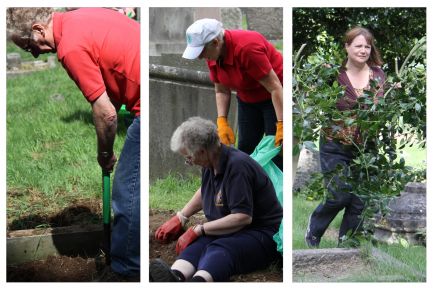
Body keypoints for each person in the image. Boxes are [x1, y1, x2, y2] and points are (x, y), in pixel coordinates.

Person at [8, 8, 140, 279]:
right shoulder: (79, 17)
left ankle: (127, 272)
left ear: (38, 29)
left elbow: (106, 113)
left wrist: (104, 152)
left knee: (127, 192)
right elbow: (110, 88)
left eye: (29, 46)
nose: (33, 53)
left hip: (148, 102)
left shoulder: (69, 47)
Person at [151, 117, 282, 282]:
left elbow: (242, 217)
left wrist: (199, 229)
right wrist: (181, 216)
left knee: (219, 248)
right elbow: (206, 190)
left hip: (261, 233)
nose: (189, 162)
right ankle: (175, 277)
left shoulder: (237, 167)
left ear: (202, 151)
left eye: (189, 158)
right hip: (234, 229)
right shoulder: (211, 162)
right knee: (197, 245)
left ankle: (199, 281)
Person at [305, 27, 386, 248]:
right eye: (358, 46)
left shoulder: (378, 75)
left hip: (367, 146)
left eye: (367, 46)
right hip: (335, 142)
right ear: (347, 47)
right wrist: (315, 81)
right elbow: (310, 97)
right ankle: (315, 228)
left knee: (359, 200)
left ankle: (346, 245)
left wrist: (393, 93)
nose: (363, 50)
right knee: (339, 194)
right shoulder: (333, 74)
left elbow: (385, 105)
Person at [182, 18, 284, 169]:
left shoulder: (247, 48)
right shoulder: (212, 55)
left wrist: (282, 124)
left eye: (201, 51)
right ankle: (247, 188)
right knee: (245, 150)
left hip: (274, 97)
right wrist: (222, 121)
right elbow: (222, 91)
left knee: (275, 149)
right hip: (247, 99)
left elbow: (275, 87)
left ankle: (275, 190)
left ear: (216, 42)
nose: (199, 57)